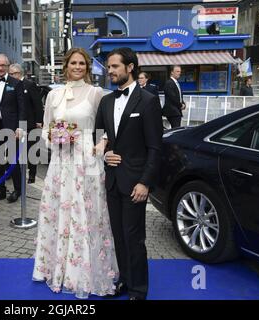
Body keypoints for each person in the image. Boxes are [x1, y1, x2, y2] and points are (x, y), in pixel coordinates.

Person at [32, 48, 118, 299]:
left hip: (87, 162)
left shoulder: (96, 93)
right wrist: (56, 138)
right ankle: (57, 267)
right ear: (65, 66)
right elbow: (46, 129)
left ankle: (85, 270)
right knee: (60, 212)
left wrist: (100, 146)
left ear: (87, 67)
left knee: (87, 213)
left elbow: (106, 128)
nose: (77, 67)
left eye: (82, 63)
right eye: (73, 63)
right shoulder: (54, 95)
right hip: (60, 163)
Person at [95, 47, 163, 300]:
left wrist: (145, 182)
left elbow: (155, 148)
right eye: (109, 67)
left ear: (130, 67)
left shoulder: (148, 101)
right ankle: (124, 280)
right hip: (112, 180)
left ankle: (138, 289)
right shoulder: (106, 101)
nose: (110, 71)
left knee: (134, 238)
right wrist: (104, 154)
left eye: (114, 66)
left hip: (135, 183)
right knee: (119, 236)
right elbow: (100, 139)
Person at [0, 54, 25, 203]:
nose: (1, 68)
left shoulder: (16, 84)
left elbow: (22, 108)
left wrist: (20, 127)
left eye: (4, 65)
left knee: (13, 160)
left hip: (13, 128)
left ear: (8, 66)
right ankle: (1, 190)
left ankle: (17, 190)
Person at [9, 64, 43, 184]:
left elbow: (37, 104)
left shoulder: (29, 85)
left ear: (21, 73)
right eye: (11, 74)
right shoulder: (10, 86)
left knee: (31, 150)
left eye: (15, 73)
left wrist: (39, 120)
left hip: (30, 124)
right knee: (17, 151)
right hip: (16, 124)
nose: (13, 76)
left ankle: (32, 174)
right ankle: (18, 174)